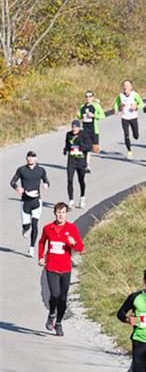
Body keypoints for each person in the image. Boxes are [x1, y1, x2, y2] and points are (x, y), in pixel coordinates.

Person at [38, 202, 84, 336]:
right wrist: (40, 257)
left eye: (63, 212)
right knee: (55, 295)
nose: (61, 215)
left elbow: (80, 248)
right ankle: (52, 314)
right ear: (55, 213)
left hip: (65, 269)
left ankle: (58, 323)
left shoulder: (71, 228)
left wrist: (73, 243)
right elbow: (41, 242)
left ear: (66, 214)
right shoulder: (48, 228)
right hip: (51, 267)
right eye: (58, 212)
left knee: (63, 299)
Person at [10, 151, 49, 257]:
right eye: (29, 157)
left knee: (35, 224)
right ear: (26, 159)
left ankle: (31, 248)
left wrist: (46, 184)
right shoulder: (21, 170)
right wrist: (17, 188)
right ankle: (24, 229)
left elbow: (46, 180)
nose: (30, 159)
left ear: (36, 159)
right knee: (27, 226)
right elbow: (12, 182)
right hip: (25, 201)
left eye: (32, 157)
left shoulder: (41, 170)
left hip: (37, 201)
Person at [63, 120, 92, 210]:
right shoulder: (69, 134)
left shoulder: (84, 135)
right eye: (73, 127)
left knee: (81, 180)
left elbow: (89, 147)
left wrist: (79, 146)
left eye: (76, 127)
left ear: (79, 127)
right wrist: (66, 149)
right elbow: (67, 144)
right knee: (69, 180)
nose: (74, 129)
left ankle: (82, 198)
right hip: (71, 161)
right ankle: (71, 201)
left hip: (81, 161)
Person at [113, 80, 144, 159]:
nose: (125, 87)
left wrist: (136, 107)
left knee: (136, 135)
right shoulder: (120, 95)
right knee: (126, 134)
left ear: (131, 87)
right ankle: (129, 151)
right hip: (124, 118)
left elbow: (141, 103)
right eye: (124, 86)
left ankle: (135, 135)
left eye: (127, 86)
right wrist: (116, 110)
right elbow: (116, 103)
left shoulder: (134, 94)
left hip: (133, 117)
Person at [78, 90, 105, 173]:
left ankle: (86, 164)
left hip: (93, 130)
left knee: (95, 149)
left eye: (90, 96)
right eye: (86, 96)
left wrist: (94, 115)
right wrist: (79, 115)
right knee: (86, 149)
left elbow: (102, 115)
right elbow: (80, 117)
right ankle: (87, 165)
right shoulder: (82, 107)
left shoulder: (96, 106)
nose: (88, 98)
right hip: (85, 130)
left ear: (93, 97)